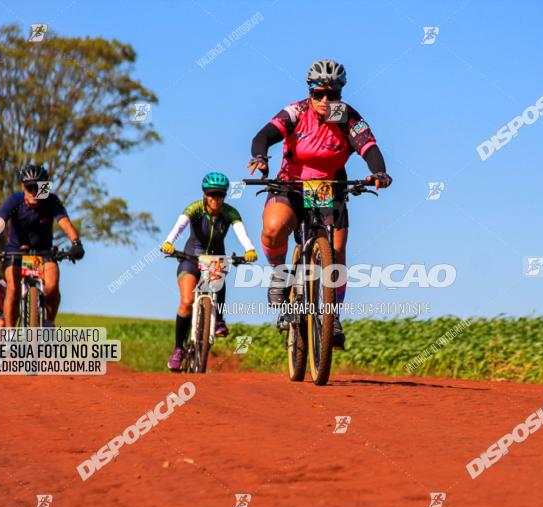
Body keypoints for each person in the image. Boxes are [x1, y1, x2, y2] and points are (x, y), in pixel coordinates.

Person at [248, 58, 392, 349]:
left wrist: (378, 171)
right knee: (274, 229)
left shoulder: (346, 116)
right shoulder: (297, 112)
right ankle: (279, 274)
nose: (326, 101)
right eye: (319, 94)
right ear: (310, 93)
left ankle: (332, 316)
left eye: (333, 94)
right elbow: (263, 136)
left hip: (330, 187)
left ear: (341, 93)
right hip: (292, 183)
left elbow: (368, 147)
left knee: (337, 252)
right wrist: (260, 157)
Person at [160, 172, 257, 371]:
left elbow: (241, 231)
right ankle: (178, 349)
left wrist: (249, 249)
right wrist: (169, 242)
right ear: (204, 194)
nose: (216, 199)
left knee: (218, 272)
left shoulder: (230, 212)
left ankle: (219, 319)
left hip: (215, 258)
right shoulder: (195, 208)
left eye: (220, 195)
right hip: (191, 258)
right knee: (187, 301)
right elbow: (180, 225)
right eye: (212, 194)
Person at [0, 164, 84, 327]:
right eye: (30, 187)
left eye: (39, 187)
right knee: (13, 289)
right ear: (23, 187)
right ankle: (9, 333)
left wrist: (76, 242)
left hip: (44, 252)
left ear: (44, 186)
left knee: (52, 285)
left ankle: (49, 323)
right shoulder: (14, 201)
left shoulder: (50, 200)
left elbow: (64, 222)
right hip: (15, 252)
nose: (34, 192)